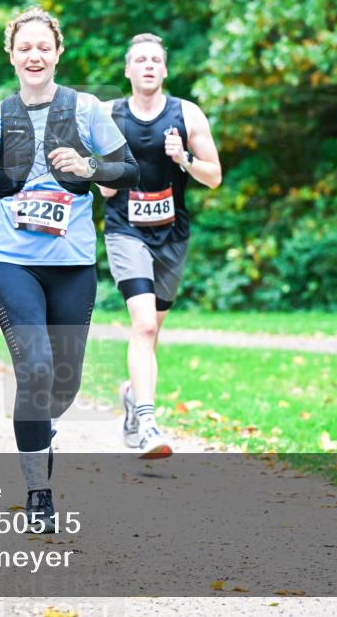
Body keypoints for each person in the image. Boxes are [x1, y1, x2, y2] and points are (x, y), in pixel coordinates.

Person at [0, 7, 139, 532]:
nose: (34, 56)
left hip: (72, 261)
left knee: (64, 384)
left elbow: (129, 170)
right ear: (11, 56)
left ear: (58, 52)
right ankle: (39, 492)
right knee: (35, 368)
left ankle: (39, 430)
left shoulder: (86, 109)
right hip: (9, 258)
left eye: (44, 47)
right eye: (25, 48)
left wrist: (88, 167)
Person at [98, 33, 222, 459]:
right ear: (128, 70)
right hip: (125, 231)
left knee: (152, 333)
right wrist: (108, 171)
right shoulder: (109, 115)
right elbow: (97, 182)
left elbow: (214, 176)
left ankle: (131, 395)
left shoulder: (187, 114)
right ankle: (148, 423)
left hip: (171, 234)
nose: (149, 66)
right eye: (141, 60)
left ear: (165, 70)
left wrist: (183, 159)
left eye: (155, 60)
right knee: (145, 326)